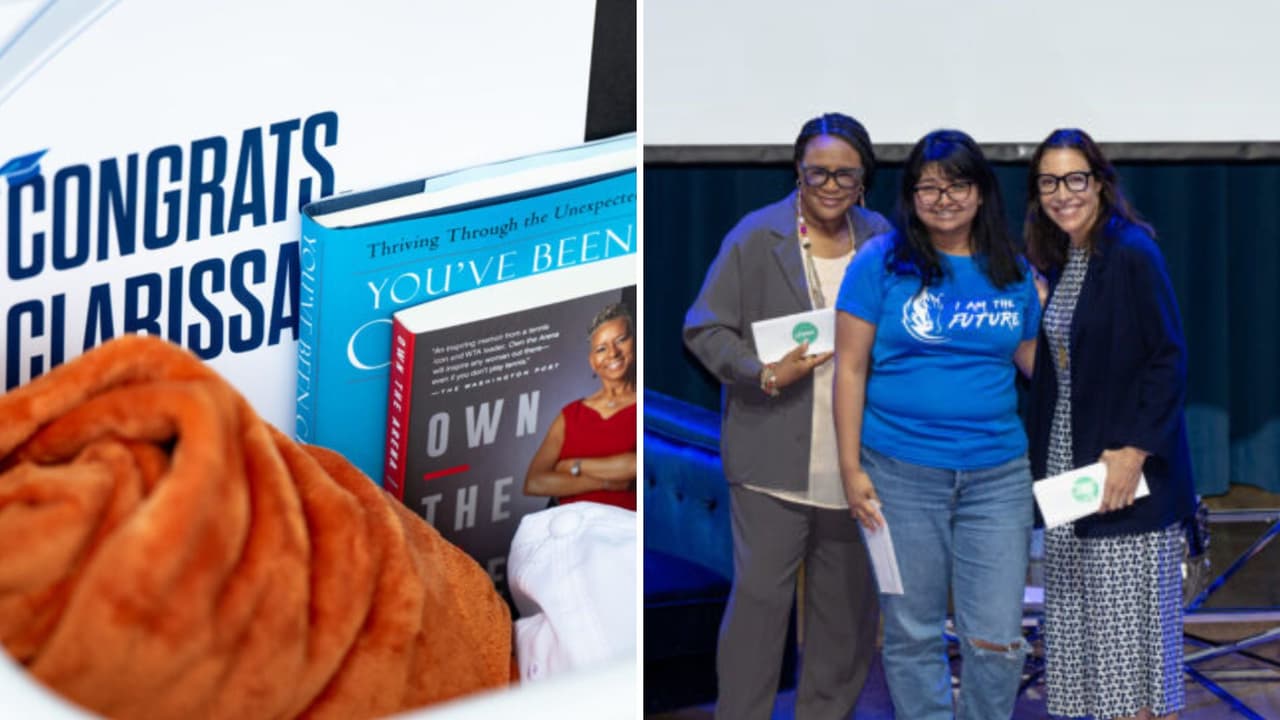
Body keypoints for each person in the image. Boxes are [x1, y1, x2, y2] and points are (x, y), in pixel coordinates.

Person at [683, 112, 890, 719]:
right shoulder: (755, 236)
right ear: (797, 173)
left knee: (845, 622)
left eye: (844, 175)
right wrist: (762, 371)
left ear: (863, 180)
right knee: (757, 615)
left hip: (856, 467)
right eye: (817, 173)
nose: (829, 186)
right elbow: (703, 327)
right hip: (771, 460)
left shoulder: (880, 238)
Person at [833, 129, 1041, 720]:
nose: (943, 198)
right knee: (913, 630)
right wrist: (851, 470)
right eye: (928, 186)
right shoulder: (881, 263)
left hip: (997, 478)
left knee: (997, 638)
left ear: (981, 193)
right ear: (910, 195)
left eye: (957, 185)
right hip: (898, 476)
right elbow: (849, 370)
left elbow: (1039, 368)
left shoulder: (1013, 270)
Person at [1024, 128, 1196, 720]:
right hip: (1071, 477)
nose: (1062, 193)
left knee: (1130, 664)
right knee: (1080, 653)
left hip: (1123, 478)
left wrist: (1133, 451)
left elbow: (1168, 358)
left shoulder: (1131, 251)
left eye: (1075, 179)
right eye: (1049, 181)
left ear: (1099, 182)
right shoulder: (1063, 256)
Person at [523, 302, 636, 511]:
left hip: (623, 526)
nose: (613, 353)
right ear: (592, 362)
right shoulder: (571, 414)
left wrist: (573, 466)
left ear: (635, 343)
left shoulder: (643, 407)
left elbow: (634, 465)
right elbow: (535, 482)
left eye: (621, 340)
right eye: (601, 349)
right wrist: (604, 483)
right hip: (570, 525)